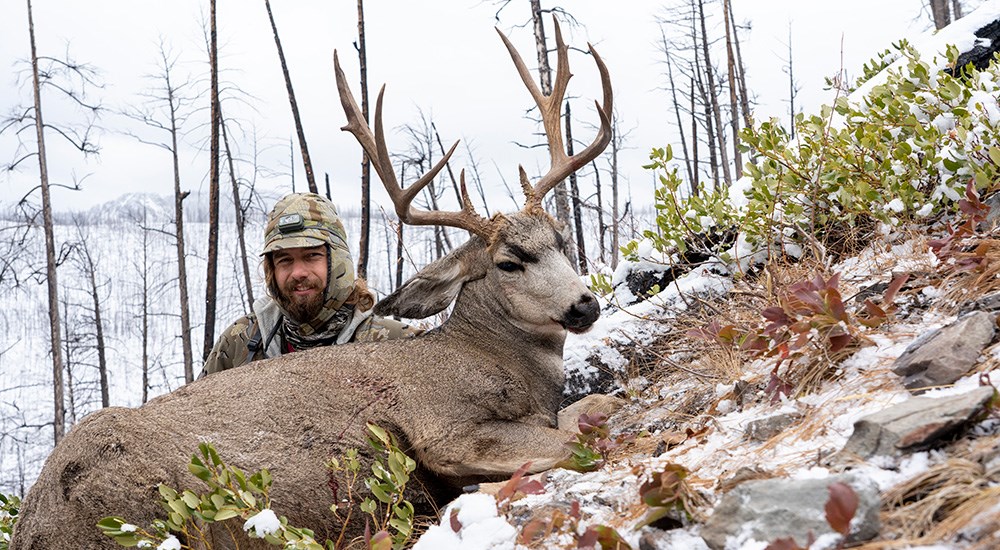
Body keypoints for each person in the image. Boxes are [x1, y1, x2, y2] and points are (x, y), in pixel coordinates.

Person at [201, 192, 421, 377]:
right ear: (272, 269)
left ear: (337, 261)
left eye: (312, 255)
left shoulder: (396, 345)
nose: (298, 273)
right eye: (284, 260)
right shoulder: (240, 341)